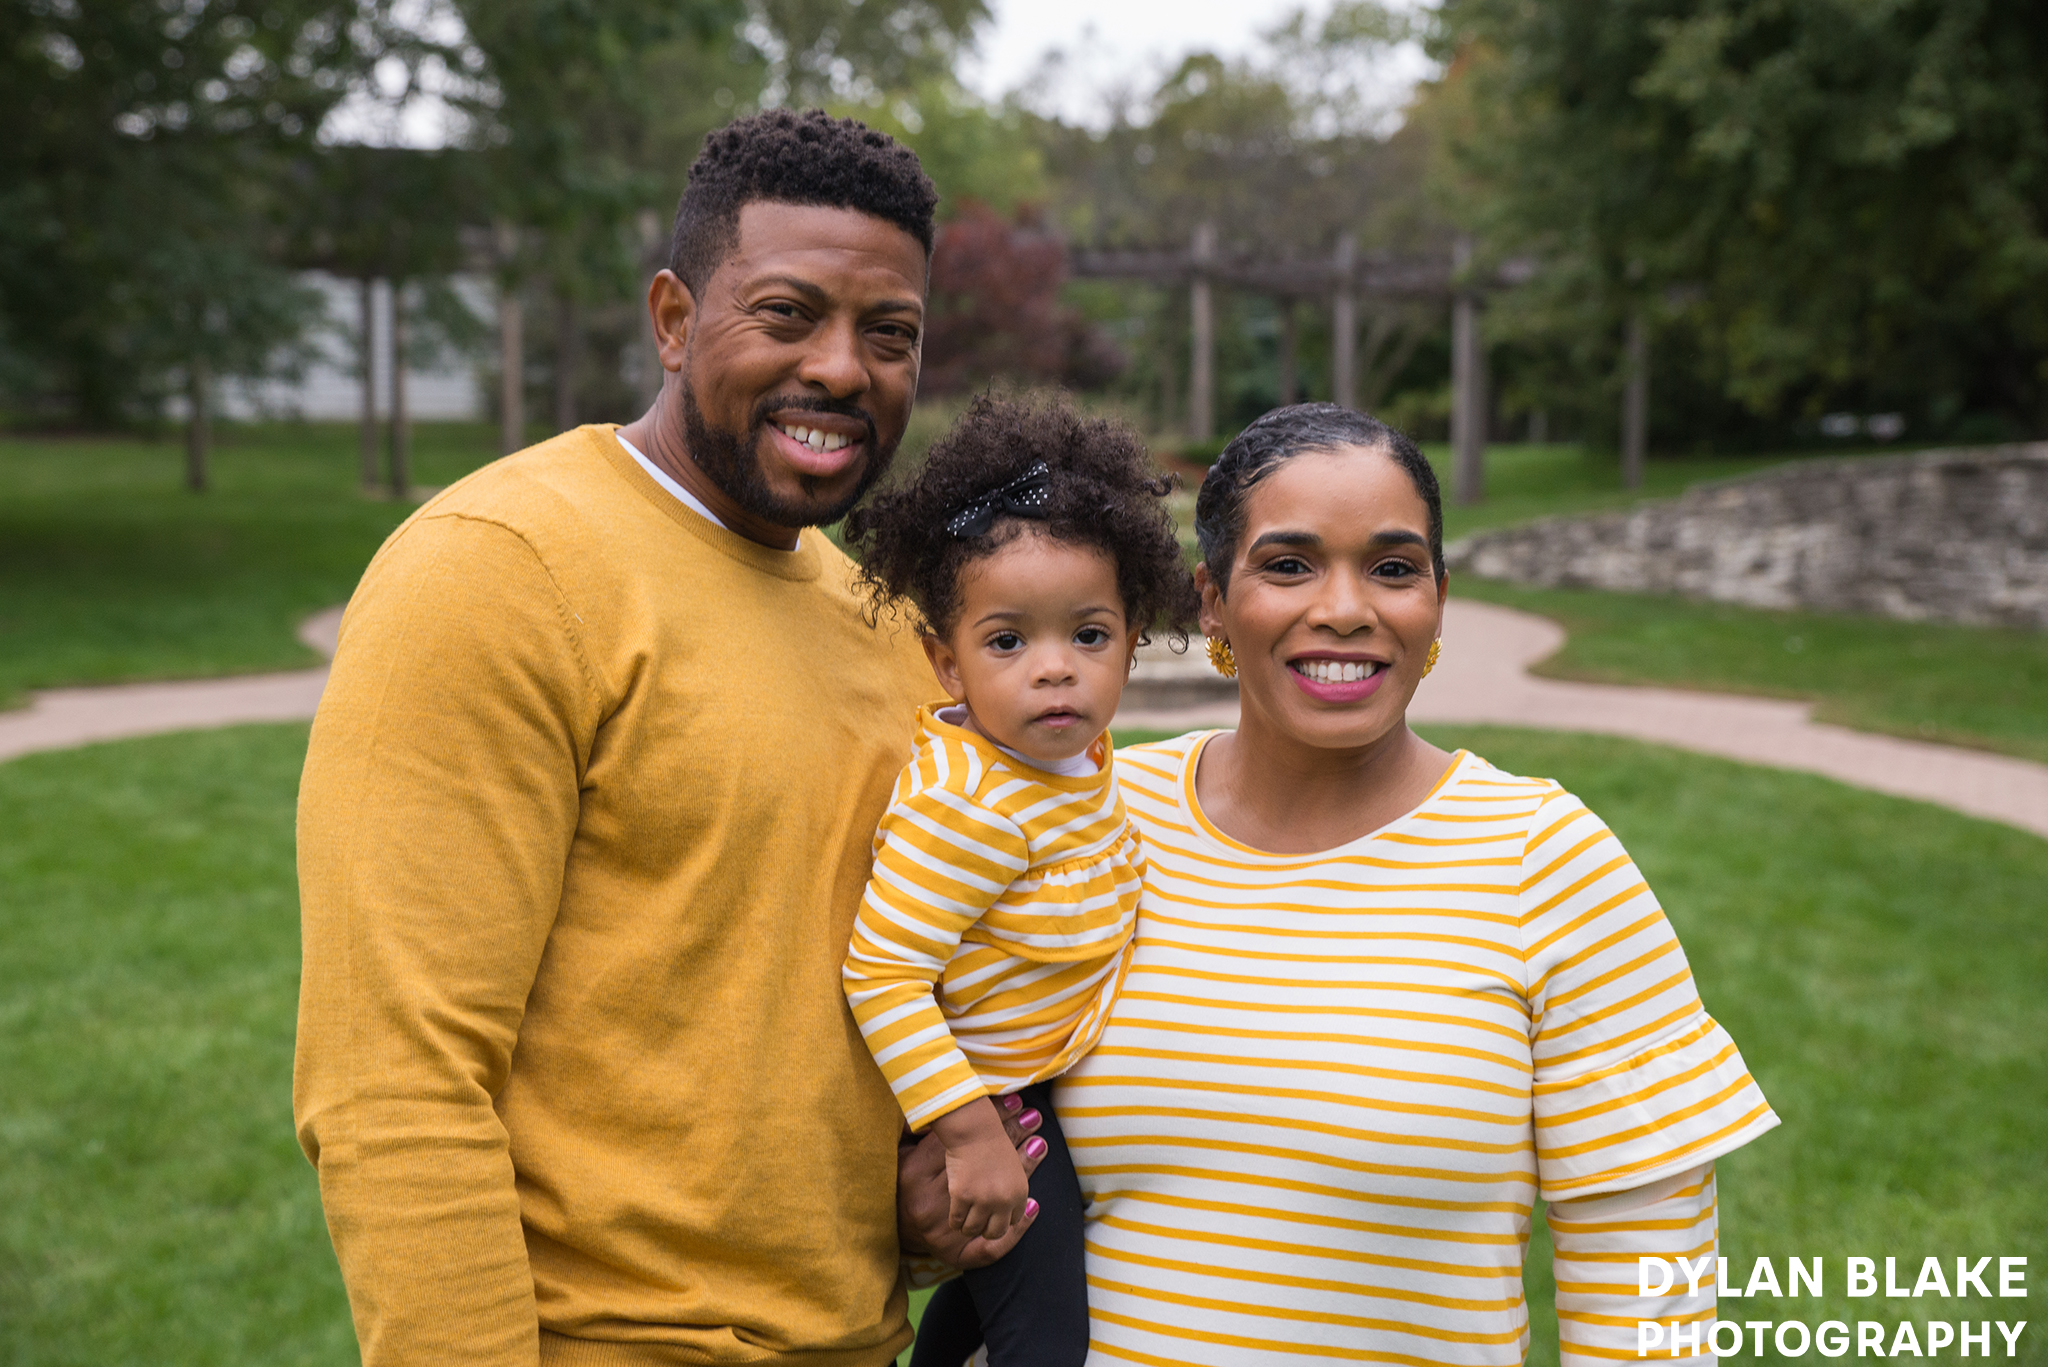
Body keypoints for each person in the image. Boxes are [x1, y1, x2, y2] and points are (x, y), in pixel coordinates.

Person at [294, 109, 1038, 1367]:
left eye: (889, 333)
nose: (844, 370)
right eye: (788, 313)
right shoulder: (499, 572)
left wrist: (921, 1211)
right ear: (674, 320)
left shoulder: (887, 631)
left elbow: (826, 1027)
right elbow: (396, 1084)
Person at [900, 403, 1779, 1365]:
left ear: (1438, 599)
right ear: (1210, 599)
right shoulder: (1092, 824)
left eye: (1394, 568)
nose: (1346, 607)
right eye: (1288, 564)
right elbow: (935, 1080)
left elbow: (1649, 1290)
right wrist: (919, 1209)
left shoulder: (1550, 863)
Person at [838, 397, 1200, 1367]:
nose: (1054, 672)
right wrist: (967, 1133)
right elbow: (879, 972)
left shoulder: (1074, 758)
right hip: (988, 1096)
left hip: (1031, 1081)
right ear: (942, 661)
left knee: (984, 1307)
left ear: (1133, 636)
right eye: (1007, 642)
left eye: (1088, 635)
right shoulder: (970, 807)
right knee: (1045, 1341)